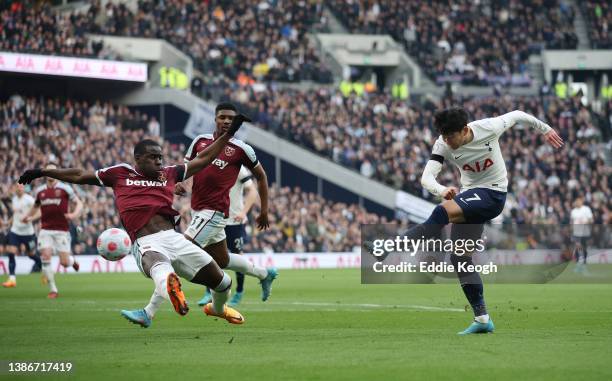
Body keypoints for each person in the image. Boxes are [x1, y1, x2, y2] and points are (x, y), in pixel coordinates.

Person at [18, 114, 250, 327]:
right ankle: (170, 288)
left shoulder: (168, 173)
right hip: (145, 241)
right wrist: (43, 172)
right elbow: (79, 174)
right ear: (138, 158)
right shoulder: (120, 173)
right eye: (153, 157)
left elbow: (205, 158)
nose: (159, 161)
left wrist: (229, 135)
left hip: (174, 238)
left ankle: (218, 309)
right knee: (161, 269)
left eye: (161, 157)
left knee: (223, 283)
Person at [408, 107, 563, 334]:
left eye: (451, 136)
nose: (447, 141)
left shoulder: (489, 127)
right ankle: (482, 319)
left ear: (464, 130)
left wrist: (545, 129)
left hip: (493, 194)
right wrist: (441, 189)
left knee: (443, 212)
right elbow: (426, 178)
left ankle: (395, 244)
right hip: (471, 196)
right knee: (460, 257)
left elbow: (518, 114)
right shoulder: (442, 144)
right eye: (444, 136)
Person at [176, 103, 277, 308]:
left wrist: (264, 210)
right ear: (215, 119)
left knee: (182, 251)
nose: (227, 121)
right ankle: (264, 274)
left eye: (231, 119)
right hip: (198, 209)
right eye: (223, 117)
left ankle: (157, 303)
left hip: (215, 212)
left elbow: (262, 177)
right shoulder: (200, 141)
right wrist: (181, 182)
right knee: (222, 260)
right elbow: (187, 168)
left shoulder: (241, 149)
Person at [22, 164, 83, 298]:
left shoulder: (65, 188)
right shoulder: (40, 191)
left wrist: (73, 215)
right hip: (45, 230)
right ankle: (53, 290)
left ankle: (72, 262)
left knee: (64, 262)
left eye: (53, 170)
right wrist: (28, 216)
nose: (50, 173)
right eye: (48, 170)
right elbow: (36, 206)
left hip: (62, 230)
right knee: (45, 256)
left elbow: (79, 204)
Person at [223, 166, 258, 306]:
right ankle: (209, 291)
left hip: (235, 221)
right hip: (216, 218)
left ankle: (239, 291)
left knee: (237, 255)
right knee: (211, 255)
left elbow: (252, 190)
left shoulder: (239, 168)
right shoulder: (211, 162)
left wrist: (244, 212)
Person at [2, 184, 42, 288]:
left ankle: (45, 269)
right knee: (11, 252)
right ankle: (12, 279)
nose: (19, 188)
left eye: (21, 187)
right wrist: (8, 223)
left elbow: (39, 212)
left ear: (23, 189)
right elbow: (16, 215)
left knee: (31, 254)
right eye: (17, 187)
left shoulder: (29, 199)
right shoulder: (14, 199)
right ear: (15, 188)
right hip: (15, 231)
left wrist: (31, 219)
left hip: (28, 233)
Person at [570, 195, 594, 273]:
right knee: (577, 246)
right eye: (576, 201)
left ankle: (584, 263)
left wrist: (585, 222)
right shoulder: (573, 211)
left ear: (581, 201)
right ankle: (577, 263)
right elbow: (571, 222)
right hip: (576, 232)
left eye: (579, 201)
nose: (577, 202)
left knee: (584, 248)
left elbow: (591, 220)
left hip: (585, 232)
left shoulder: (586, 209)